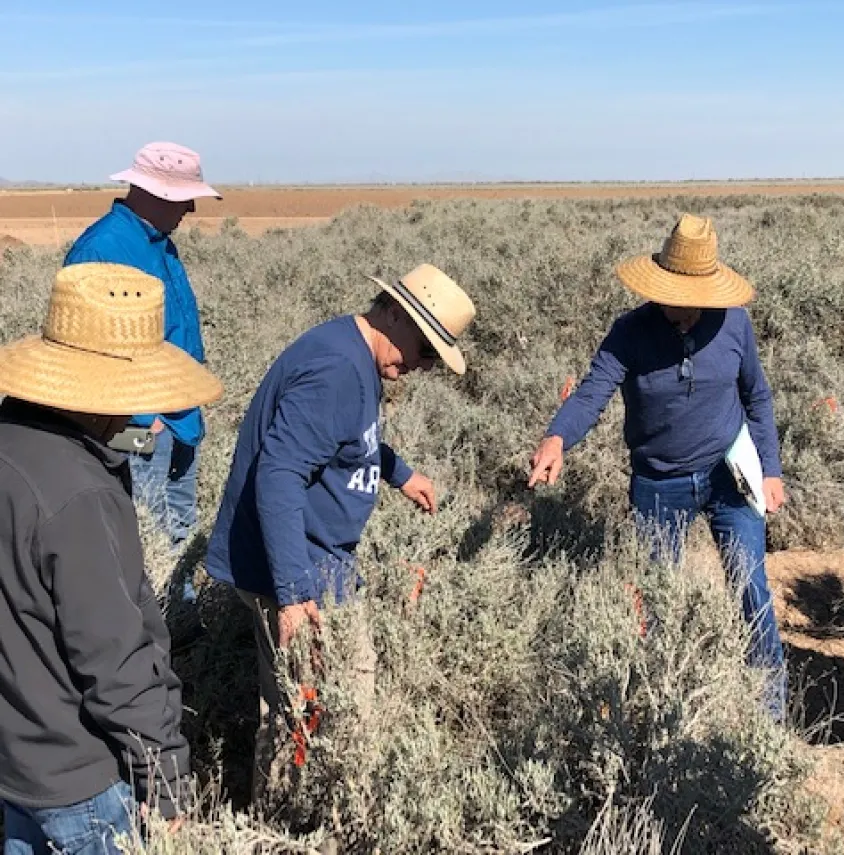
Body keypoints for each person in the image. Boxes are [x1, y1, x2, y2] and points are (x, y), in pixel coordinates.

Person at [205, 263, 475, 801]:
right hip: (296, 568)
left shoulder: (352, 352)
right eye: (424, 351)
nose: (421, 367)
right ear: (395, 314)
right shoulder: (337, 368)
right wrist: (293, 594)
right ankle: (285, 822)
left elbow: (346, 439)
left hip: (316, 561)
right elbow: (279, 473)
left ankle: (315, 812)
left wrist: (398, 472)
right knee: (302, 711)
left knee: (329, 700)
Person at [0, 262, 223, 853]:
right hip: (83, 783)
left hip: (17, 763)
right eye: (133, 396)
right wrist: (167, 780)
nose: (147, 416)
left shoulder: (12, 443)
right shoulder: (81, 499)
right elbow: (114, 659)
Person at [528, 213, 788, 717]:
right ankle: (668, 706)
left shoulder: (735, 322)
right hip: (658, 484)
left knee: (751, 588)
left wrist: (771, 471)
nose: (687, 306)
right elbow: (591, 394)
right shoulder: (630, 333)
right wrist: (557, 439)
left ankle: (770, 717)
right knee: (660, 601)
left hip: (728, 475)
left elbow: (757, 398)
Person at [63, 141, 221, 605]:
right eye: (184, 197)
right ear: (154, 193)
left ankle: (182, 627)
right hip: (139, 426)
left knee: (179, 530)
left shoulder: (160, 244)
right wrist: (143, 416)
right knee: (142, 539)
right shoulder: (103, 249)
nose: (191, 208)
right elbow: (87, 347)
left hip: (180, 419)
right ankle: (150, 634)